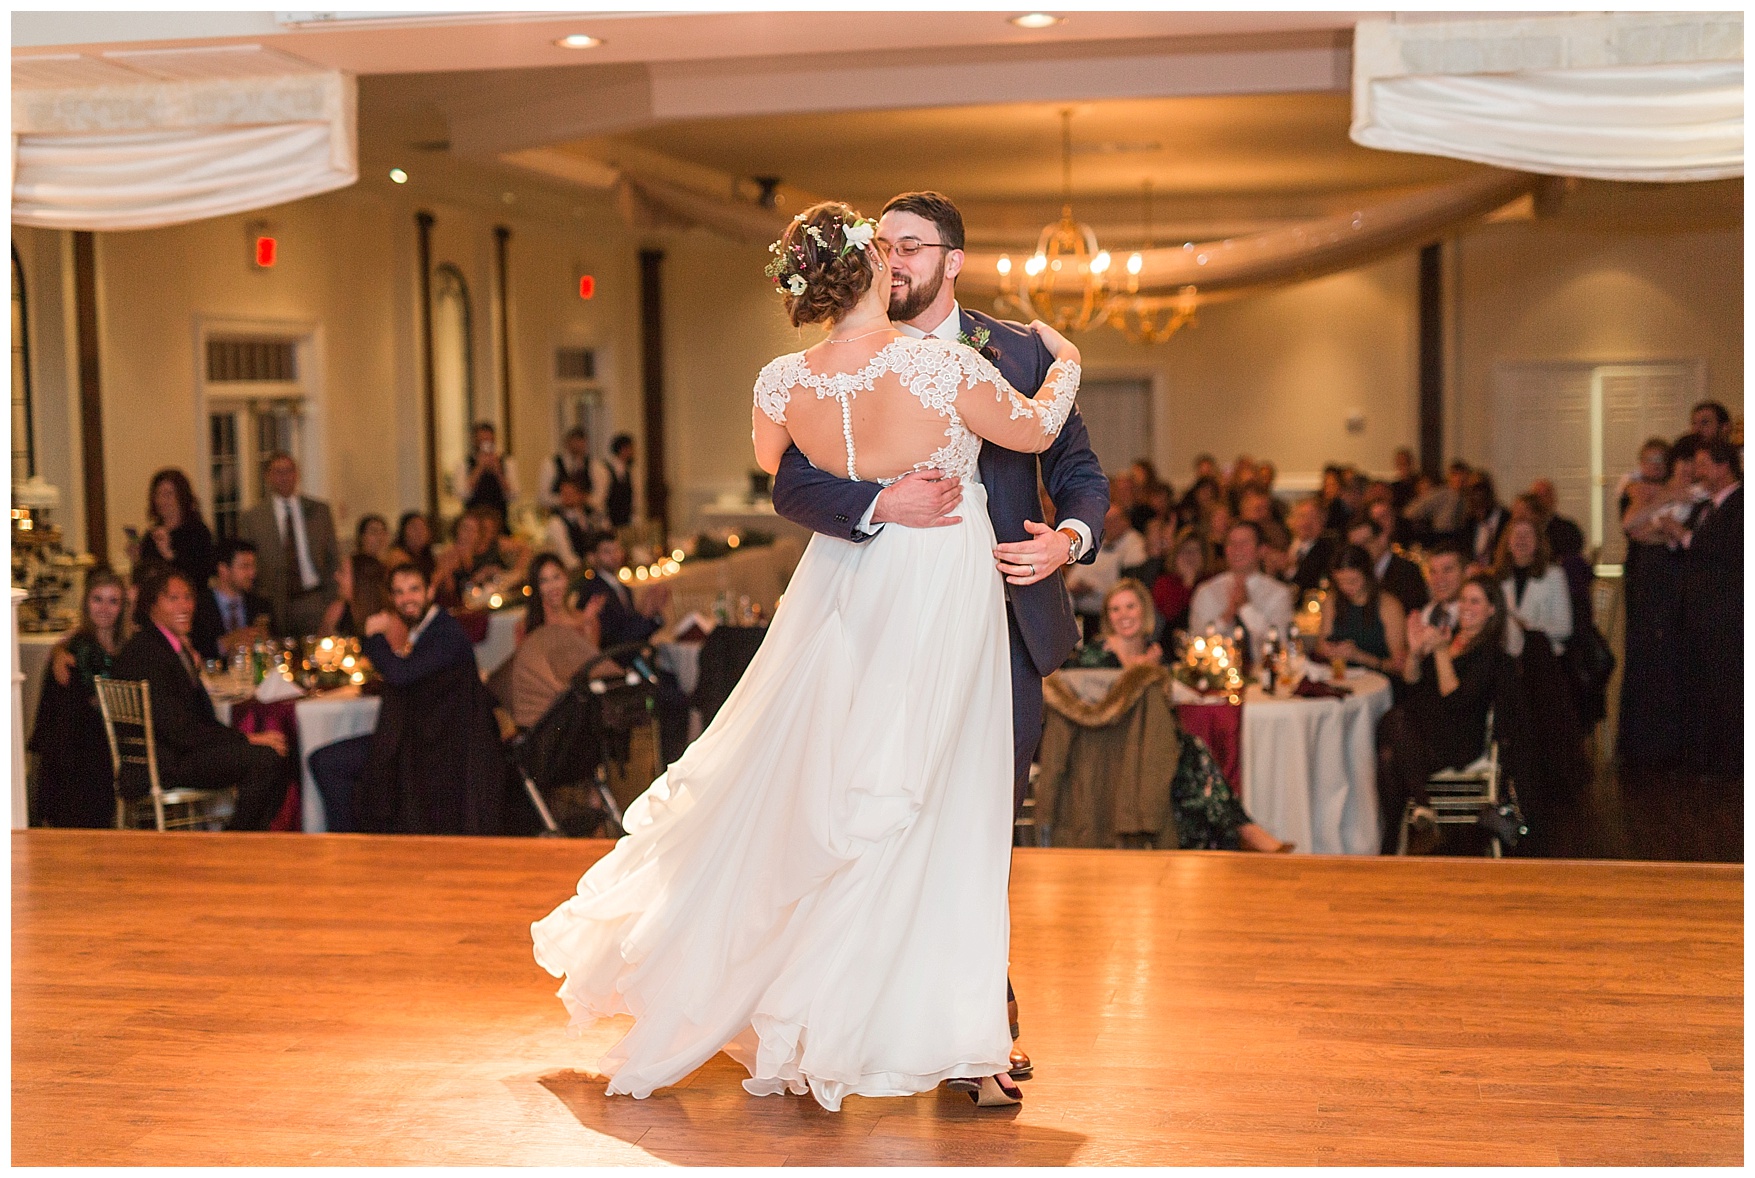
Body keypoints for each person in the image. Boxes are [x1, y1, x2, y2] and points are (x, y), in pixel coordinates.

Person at [532, 199, 1087, 1112]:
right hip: (939, 585)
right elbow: (1030, 431)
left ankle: (864, 1024)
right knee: (940, 799)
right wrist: (1066, 362)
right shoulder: (935, 361)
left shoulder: (780, 379)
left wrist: (868, 490)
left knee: (839, 785)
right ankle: (912, 1029)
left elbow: (781, 464)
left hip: (843, 588)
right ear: (871, 267)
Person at [769, 188, 1105, 1085]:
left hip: (1001, 623)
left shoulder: (1018, 349)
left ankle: (971, 1031)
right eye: (882, 247)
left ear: (952, 261)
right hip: (873, 621)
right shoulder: (828, 364)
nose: (894, 261)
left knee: (975, 825)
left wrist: (1067, 540)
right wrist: (879, 503)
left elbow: (1074, 468)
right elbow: (790, 487)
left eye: (911, 247)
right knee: (866, 813)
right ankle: (877, 1018)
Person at [312, 562, 509, 836]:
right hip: (426, 745)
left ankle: (354, 845)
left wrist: (374, 637)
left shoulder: (445, 633)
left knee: (328, 763)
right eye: (399, 592)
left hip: (439, 752)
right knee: (333, 762)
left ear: (430, 591)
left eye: (414, 589)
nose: (407, 599)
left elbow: (400, 674)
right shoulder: (427, 630)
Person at [109, 566, 289, 830]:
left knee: (273, 755)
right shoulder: (148, 653)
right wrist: (246, 738)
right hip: (165, 763)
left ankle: (241, 839)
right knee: (266, 760)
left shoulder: (168, 647)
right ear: (152, 605)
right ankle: (238, 841)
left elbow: (193, 720)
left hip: (175, 753)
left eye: (188, 597)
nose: (185, 605)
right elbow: (179, 728)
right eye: (174, 598)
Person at [1379, 574, 1517, 854]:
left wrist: (1440, 651)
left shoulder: (1490, 654)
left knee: (1393, 725)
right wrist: (1416, 652)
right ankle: (1420, 810)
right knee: (1389, 752)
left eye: (1475, 601)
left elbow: (1456, 702)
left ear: (1492, 609)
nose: (1466, 606)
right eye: (1464, 599)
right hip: (1426, 733)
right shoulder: (1452, 637)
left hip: (1458, 738)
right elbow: (1411, 681)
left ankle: (1394, 842)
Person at [30, 571, 132, 828]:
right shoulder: (75, 651)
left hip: (122, 742)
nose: (105, 608)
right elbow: (63, 722)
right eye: (98, 599)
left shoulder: (131, 646)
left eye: (113, 601)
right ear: (86, 603)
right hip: (84, 755)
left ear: (122, 607)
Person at [1667, 437, 1742, 779]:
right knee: (1702, 686)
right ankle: (1702, 758)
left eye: (1702, 464)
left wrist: (1679, 532)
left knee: (1726, 687)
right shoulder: (1705, 506)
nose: (1697, 471)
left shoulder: (1740, 504)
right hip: (1699, 613)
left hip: (1726, 614)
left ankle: (1730, 762)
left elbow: (1720, 551)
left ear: (1723, 466)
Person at [1616, 438, 1690, 767]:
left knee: (1667, 652)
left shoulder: (1680, 490)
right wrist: (1659, 523)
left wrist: (1657, 526)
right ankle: (1637, 743)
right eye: (1648, 460)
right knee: (1640, 651)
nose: (1654, 467)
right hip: (1641, 578)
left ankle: (1664, 742)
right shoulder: (1631, 489)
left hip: (1669, 577)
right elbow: (1632, 528)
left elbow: (1673, 534)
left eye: (1661, 460)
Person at [238, 452, 340, 638]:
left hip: (312, 599)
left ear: (296, 474)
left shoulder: (318, 511)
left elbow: (333, 557)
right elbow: (247, 564)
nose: (284, 477)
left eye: (289, 471)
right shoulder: (253, 518)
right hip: (272, 602)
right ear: (268, 476)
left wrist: (331, 599)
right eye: (278, 472)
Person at [508, 553, 607, 730]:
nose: (552, 586)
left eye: (556, 577)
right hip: (547, 713)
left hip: (582, 708)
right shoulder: (527, 627)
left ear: (566, 578)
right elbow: (531, 677)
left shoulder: (583, 619)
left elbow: (593, 668)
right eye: (544, 581)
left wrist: (587, 623)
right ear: (536, 587)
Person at [1188, 520, 1294, 658]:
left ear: (1261, 550)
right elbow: (1196, 643)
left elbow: (1280, 644)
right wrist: (1227, 616)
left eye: (1244, 543)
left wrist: (1246, 608)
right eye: (1231, 543)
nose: (1237, 549)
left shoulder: (1278, 594)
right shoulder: (1207, 591)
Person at [1318, 544, 1407, 677]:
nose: (1346, 587)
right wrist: (1329, 650)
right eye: (1340, 582)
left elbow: (1400, 666)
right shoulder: (1332, 601)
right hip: (1343, 677)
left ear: (1367, 575)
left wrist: (1359, 656)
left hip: (1380, 680)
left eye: (1353, 581)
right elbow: (1320, 645)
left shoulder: (1388, 606)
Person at [1494, 518, 1572, 657]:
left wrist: (1530, 628)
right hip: (1506, 659)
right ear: (1508, 542)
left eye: (1527, 534)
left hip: (1543, 657)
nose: (1521, 539)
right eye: (1516, 534)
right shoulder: (1499, 577)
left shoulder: (1554, 575)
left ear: (1538, 542)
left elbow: (1564, 628)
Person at [130, 468, 216, 591]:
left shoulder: (197, 531)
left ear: (181, 496)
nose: (161, 500)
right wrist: (136, 560)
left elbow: (201, 576)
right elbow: (142, 580)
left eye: (168, 494)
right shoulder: (152, 535)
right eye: (157, 494)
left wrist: (168, 553)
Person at [1068, 502, 1147, 632]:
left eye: (1114, 520)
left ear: (1125, 521)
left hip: (1113, 618)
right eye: (1106, 521)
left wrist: (1093, 589)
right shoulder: (1095, 543)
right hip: (1083, 616)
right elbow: (1073, 578)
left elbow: (1128, 584)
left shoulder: (1135, 545)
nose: (1109, 525)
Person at [189, 538, 271, 661]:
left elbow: (275, 641)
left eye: (253, 566)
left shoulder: (261, 604)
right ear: (223, 569)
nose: (252, 573)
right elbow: (194, 648)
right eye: (245, 567)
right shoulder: (198, 606)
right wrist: (224, 644)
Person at [1346, 514, 1429, 616]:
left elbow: (1411, 612)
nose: (1360, 551)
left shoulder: (1407, 571)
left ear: (1382, 538)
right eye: (1355, 547)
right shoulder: (1355, 574)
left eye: (1365, 543)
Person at [455, 421, 520, 529]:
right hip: (474, 526)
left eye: (489, 441)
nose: (485, 445)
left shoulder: (507, 463)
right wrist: (479, 468)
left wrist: (499, 473)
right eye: (481, 441)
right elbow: (462, 494)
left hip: (499, 522)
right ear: (474, 441)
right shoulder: (464, 465)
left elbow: (514, 495)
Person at [537, 426, 611, 516]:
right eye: (574, 441)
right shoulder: (551, 464)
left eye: (580, 442)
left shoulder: (594, 466)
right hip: (559, 517)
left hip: (586, 518)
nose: (577, 445)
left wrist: (582, 499)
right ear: (566, 443)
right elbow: (543, 497)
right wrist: (566, 500)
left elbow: (599, 497)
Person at [1152, 527, 1208, 634]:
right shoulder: (1164, 583)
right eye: (1185, 551)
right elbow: (1170, 617)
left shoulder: (1211, 582)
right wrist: (1187, 584)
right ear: (1176, 555)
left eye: (1195, 550)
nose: (1190, 556)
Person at [320, 553, 389, 637]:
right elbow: (320, 646)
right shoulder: (337, 611)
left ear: (359, 581)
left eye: (342, 572)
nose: (336, 576)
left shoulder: (386, 617)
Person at [1285, 497, 1338, 596]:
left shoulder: (1330, 552)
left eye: (1313, 517)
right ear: (1291, 520)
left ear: (1323, 521)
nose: (1306, 522)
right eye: (1302, 516)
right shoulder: (1281, 545)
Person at [542, 476, 596, 571]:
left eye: (571, 493)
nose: (566, 497)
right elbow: (567, 558)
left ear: (581, 495)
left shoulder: (591, 515)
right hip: (576, 572)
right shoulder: (556, 522)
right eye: (563, 493)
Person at [389, 511, 437, 581]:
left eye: (423, 527)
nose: (420, 532)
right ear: (403, 532)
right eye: (414, 527)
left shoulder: (427, 555)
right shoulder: (397, 555)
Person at [605, 433, 637, 528]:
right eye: (631, 448)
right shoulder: (605, 469)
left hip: (626, 519)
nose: (633, 452)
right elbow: (604, 497)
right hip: (612, 519)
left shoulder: (629, 470)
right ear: (623, 449)